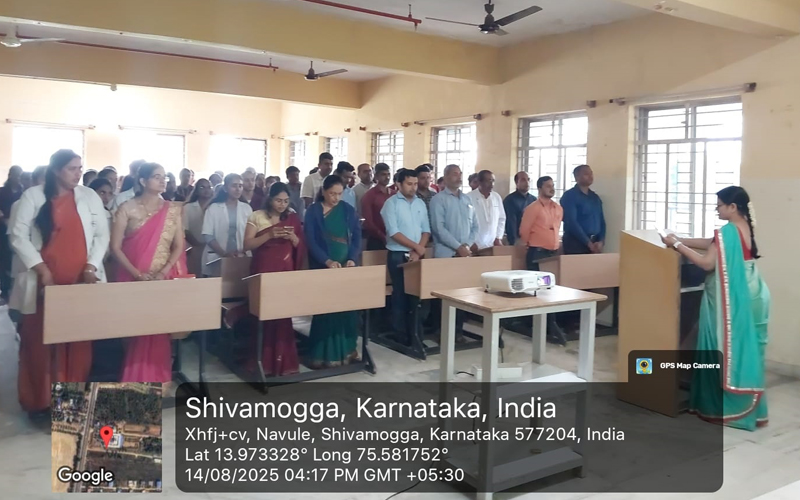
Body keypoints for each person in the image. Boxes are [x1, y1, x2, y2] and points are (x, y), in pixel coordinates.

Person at [661, 186, 769, 431]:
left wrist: (676, 244)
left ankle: (721, 406)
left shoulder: (728, 231)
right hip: (753, 293)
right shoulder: (743, 226)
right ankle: (748, 403)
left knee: (719, 345)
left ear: (733, 207)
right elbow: (712, 244)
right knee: (744, 349)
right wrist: (680, 239)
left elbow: (707, 262)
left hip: (729, 298)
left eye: (719, 205)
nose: (716, 209)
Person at [9, 150, 109, 412]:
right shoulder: (33, 196)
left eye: (80, 168)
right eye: (72, 168)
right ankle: (40, 400)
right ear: (56, 170)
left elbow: (102, 236)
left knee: (78, 343)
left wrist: (91, 266)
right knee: (40, 341)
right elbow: (18, 236)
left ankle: (72, 401)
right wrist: (42, 270)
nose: (78, 173)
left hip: (80, 282)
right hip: (44, 283)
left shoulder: (89, 196)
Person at [111, 162, 187, 382]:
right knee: (133, 331)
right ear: (143, 181)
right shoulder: (126, 208)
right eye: (157, 177)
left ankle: (157, 378)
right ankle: (134, 379)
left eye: (164, 177)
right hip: (131, 277)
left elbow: (178, 246)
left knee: (159, 330)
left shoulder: (172, 210)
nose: (163, 181)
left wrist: (163, 272)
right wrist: (137, 274)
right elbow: (115, 247)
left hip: (162, 279)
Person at [243, 182, 305, 376]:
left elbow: (300, 245)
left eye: (286, 201)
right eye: (278, 200)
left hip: (284, 271)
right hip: (263, 270)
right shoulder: (257, 216)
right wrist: (269, 235)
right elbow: (247, 244)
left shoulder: (292, 217)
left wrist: (293, 238)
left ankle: (284, 363)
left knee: (283, 315)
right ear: (269, 199)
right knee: (263, 314)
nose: (282, 205)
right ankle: (263, 362)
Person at [303, 175, 362, 368]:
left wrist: (352, 258)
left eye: (339, 194)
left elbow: (356, 238)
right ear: (323, 192)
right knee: (326, 310)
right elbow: (310, 240)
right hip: (322, 267)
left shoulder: (348, 210)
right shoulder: (313, 211)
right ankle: (323, 354)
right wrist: (326, 260)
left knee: (347, 310)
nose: (336, 198)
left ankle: (348, 351)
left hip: (346, 269)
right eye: (332, 194)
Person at [381, 168, 430, 345]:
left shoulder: (420, 203)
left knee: (417, 296)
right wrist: (416, 247)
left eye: (415, 184)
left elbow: (426, 230)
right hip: (398, 254)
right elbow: (393, 232)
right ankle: (400, 334)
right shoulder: (391, 204)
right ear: (398, 184)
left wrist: (418, 251)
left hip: (417, 256)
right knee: (400, 295)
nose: (413, 187)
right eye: (409, 184)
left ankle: (415, 334)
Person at [519, 176, 567, 345]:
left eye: (553, 185)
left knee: (550, 290)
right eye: (548, 186)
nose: (551, 188)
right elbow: (524, 231)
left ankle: (550, 323)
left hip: (552, 254)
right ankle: (538, 324)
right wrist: (530, 244)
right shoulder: (533, 208)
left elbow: (556, 229)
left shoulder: (558, 208)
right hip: (537, 253)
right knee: (538, 291)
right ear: (540, 188)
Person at [201, 173, 252, 277]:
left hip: (241, 257)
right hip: (217, 257)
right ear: (225, 188)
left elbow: (250, 234)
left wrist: (242, 251)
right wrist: (224, 253)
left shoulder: (246, 208)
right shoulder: (213, 208)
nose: (238, 189)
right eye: (234, 186)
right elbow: (208, 235)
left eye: (240, 186)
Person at [560, 164, 606, 255]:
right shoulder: (569, 196)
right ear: (577, 177)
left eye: (591, 173)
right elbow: (571, 222)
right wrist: (587, 242)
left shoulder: (594, 197)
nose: (590, 176)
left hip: (595, 243)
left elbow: (602, 221)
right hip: (575, 244)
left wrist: (601, 241)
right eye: (586, 174)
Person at [0, 165, 24, 301]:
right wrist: (3, 218)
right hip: (2, 229)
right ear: (10, 175)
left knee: (14, 260)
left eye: (20, 175)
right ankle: (5, 290)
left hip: (17, 228)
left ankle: (13, 290)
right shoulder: (2, 192)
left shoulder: (23, 192)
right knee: (3, 259)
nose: (18, 178)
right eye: (16, 174)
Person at [468, 170, 506, 251]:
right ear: (480, 182)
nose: (491, 184)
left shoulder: (496, 197)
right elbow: (465, 222)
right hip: (474, 244)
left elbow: (501, 218)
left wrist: (498, 237)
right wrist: (470, 242)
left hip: (492, 244)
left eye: (493, 181)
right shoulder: (469, 197)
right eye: (488, 181)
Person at [182, 178, 214, 276]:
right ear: (196, 190)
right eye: (202, 187)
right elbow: (184, 229)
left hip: (211, 248)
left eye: (209, 187)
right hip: (193, 248)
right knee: (195, 274)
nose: (206, 190)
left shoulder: (215, 207)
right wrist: (197, 244)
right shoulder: (188, 207)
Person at [361, 163, 392, 250]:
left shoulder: (394, 194)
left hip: (394, 238)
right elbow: (368, 222)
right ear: (376, 176)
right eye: (383, 175)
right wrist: (382, 236)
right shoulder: (369, 196)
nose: (387, 177)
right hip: (376, 239)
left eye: (388, 174)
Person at [504, 171, 536, 246]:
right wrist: (514, 241)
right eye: (523, 180)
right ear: (516, 182)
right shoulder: (510, 200)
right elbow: (511, 223)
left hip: (533, 240)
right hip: (518, 240)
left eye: (528, 179)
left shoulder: (533, 199)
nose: (527, 182)